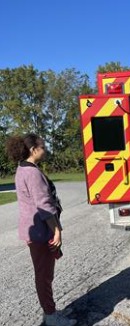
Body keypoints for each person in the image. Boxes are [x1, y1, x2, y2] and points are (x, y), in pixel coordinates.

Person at [5, 134, 76, 326]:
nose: (45, 150)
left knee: (45, 273)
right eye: (42, 146)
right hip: (40, 231)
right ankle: (51, 316)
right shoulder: (31, 172)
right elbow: (43, 205)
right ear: (33, 149)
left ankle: (50, 310)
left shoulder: (24, 168)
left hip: (37, 230)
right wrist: (57, 230)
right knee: (44, 275)